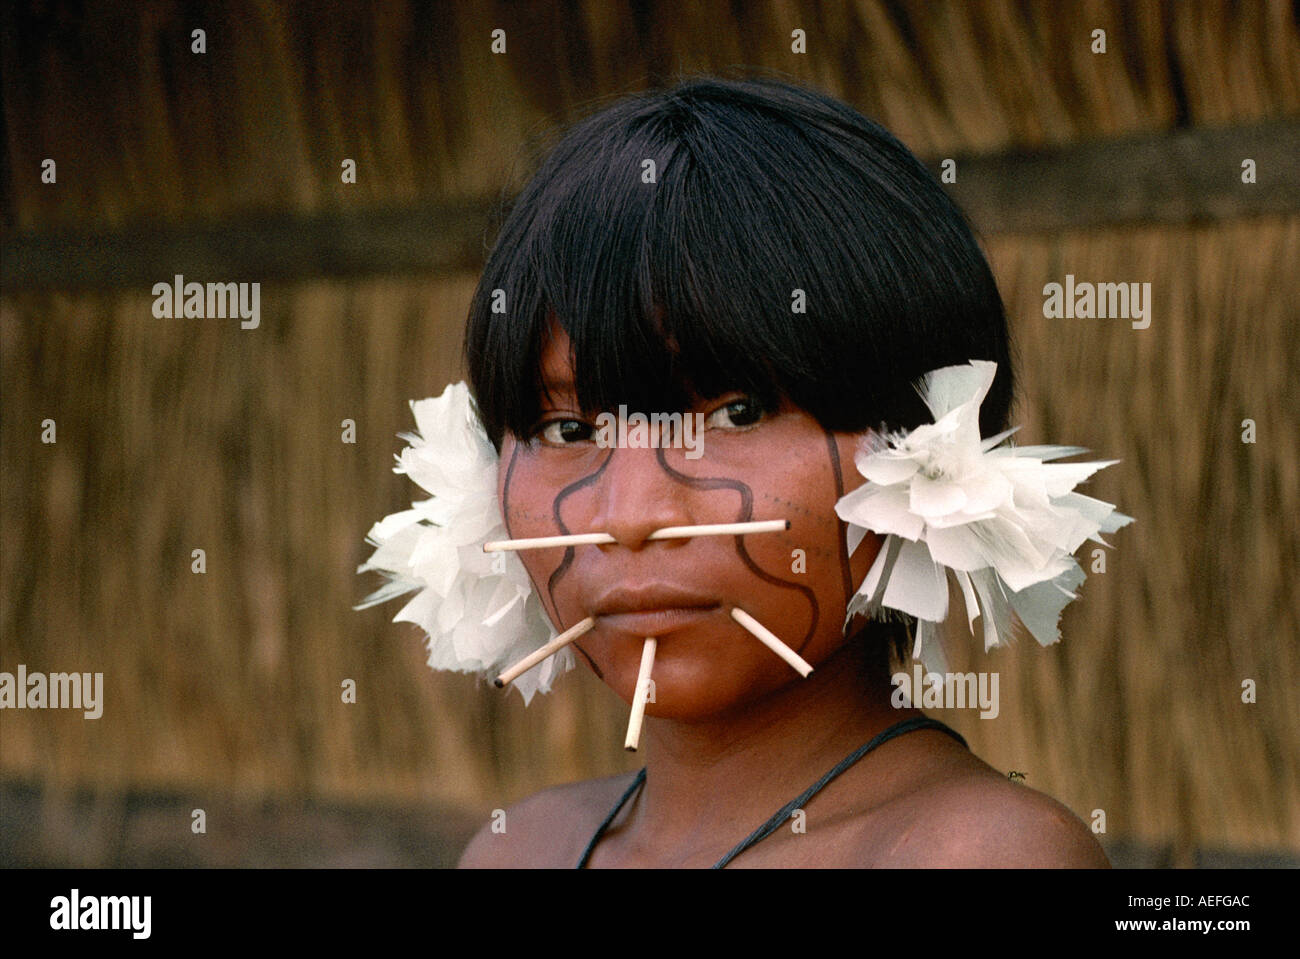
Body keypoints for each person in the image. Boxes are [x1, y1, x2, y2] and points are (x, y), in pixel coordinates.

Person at [384, 73, 1115, 867]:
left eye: (736, 411)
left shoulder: (978, 856)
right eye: (567, 426)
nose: (629, 514)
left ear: (931, 447)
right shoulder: (515, 852)